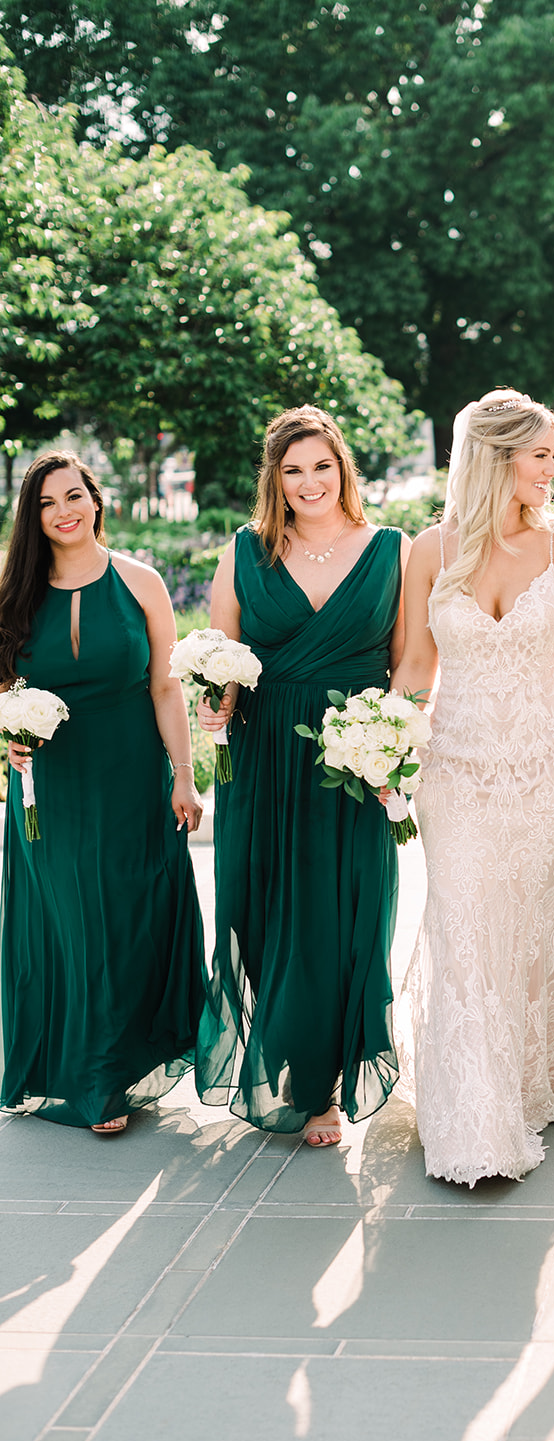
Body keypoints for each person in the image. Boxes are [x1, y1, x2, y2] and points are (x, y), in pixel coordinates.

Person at [390, 388, 554, 1186]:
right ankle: (476, 1116)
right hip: (457, 774)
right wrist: (383, 749)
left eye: (553, 452)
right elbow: (414, 668)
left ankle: (541, 1067)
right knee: (465, 920)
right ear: (498, 458)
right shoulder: (431, 550)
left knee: (538, 921)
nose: (553, 467)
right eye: (542, 453)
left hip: (547, 769)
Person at [195, 405, 407, 1146]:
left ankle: (322, 1087)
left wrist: (396, 740)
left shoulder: (391, 549)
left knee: (346, 915)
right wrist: (213, 704)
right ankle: (290, 1062)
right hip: (264, 757)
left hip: (353, 757)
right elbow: (223, 657)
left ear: (343, 468)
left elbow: (409, 661)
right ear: (275, 480)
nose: (309, 482)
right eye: (293, 470)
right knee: (267, 915)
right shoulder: (243, 552)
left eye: (321, 466)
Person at [0, 451, 206, 1133]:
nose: (64, 511)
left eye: (74, 495)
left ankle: (120, 1059)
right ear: (34, 517)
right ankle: (98, 1083)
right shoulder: (14, 592)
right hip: (49, 785)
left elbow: (165, 685)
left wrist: (183, 773)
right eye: (47, 503)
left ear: (96, 498)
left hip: (132, 775)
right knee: (74, 924)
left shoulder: (142, 582)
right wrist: (7, 739)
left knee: (127, 919)